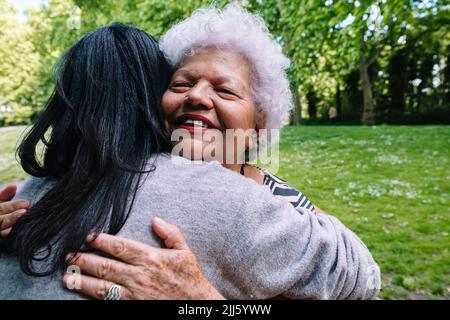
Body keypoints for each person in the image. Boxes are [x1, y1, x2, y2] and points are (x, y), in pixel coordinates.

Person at [0, 18, 380, 300]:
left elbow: (359, 280)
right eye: (181, 83)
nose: (196, 96)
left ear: (259, 122)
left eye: (225, 91)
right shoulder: (103, 179)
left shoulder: (285, 208)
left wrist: (201, 300)